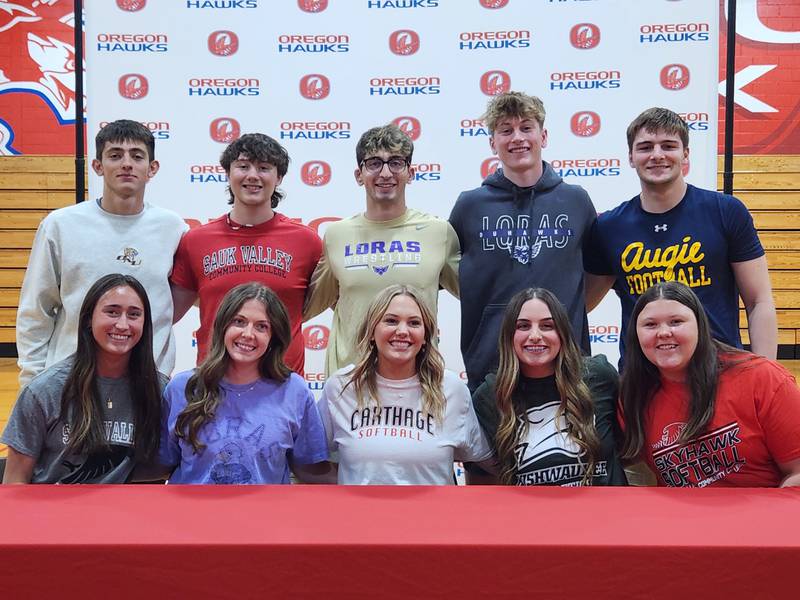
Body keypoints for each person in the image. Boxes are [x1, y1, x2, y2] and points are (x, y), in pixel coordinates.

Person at [585, 107, 777, 362]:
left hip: (719, 372)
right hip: (644, 379)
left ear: (685, 155)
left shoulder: (725, 211)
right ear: (631, 157)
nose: (657, 155)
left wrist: (767, 375)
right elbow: (581, 305)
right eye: (645, 147)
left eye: (668, 146)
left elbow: (758, 301)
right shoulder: (609, 227)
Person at [16, 119, 187, 386]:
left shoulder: (174, 228)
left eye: (137, 156)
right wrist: (32, 382)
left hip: (146, 384)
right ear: (97, 166)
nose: (126, 163)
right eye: (115, 155)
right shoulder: (60, 225)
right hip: (72, 380)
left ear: (152, 168)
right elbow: (36, 310)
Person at [449, 92, 596, 392]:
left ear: (543, 136)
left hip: (565, 368)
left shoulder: (576, 201)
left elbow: (598, 272)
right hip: (492, 370)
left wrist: (567, 312)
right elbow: (446, 272)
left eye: (526, 127)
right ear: (493, 143)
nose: (517, 138)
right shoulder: (469, 206)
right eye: (505, 130)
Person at [304, 124, 459, 375]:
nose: (385, 173)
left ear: (411, 173)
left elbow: (479, 299)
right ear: (359, 175)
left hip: (417, 383)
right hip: (349, 387)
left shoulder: (438, 233)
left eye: (396, 163)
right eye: (374, 163)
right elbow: (303, 307)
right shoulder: (336, 236)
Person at [619, 281, 800, 487]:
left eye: (676, 322)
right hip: (682, 517)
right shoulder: (632, 397)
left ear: (700, 326)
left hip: (760, 514)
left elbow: (797, 473)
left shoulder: (762, 378)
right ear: (635, 334)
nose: (663, 332)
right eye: (650, 324)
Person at [171, 133, 322, 375]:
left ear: (279, 177)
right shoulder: (195, 242)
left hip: (282, 387)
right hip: (215, 386)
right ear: (228, 173)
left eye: (264, 168)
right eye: (243, 166)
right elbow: (166, 313)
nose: (253, 175)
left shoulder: (308, 242)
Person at [318, 284, 493, 484]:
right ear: (372, 331)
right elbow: (306, 461)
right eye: (391, 321)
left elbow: (485, 461)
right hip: (361, 515)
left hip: (434, 515)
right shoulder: (341, 387)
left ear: (426, 336)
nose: (402, 331)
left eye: (414, 323)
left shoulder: (451, 389)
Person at [159, 282, 329, 484]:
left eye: (261, 326)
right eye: (239, 321)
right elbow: (161, 465)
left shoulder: (294, 391)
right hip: (194, 513)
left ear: (273, 337)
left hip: (264, 514)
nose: (248, 334)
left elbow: (311, 469)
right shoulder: (183, 388)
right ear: (223, 326)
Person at [2, 274, 164, 483]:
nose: (123, 324)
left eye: (134, 315)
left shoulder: (157, 390)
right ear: (89, 319)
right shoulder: (44, 391)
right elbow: (15, 481)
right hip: (53, 511)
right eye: (112, 312)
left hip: (119, 512)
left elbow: (166, 466)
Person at [470, 288, 627, 486]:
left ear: (562, 333)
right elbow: (482, 477)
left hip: (607, 513)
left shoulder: (598, 376)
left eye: (547, 326)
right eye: (523, 326)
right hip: (533, 515)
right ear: (509, 335)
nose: (535, 335)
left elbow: (628, 447)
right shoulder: (490, 396)